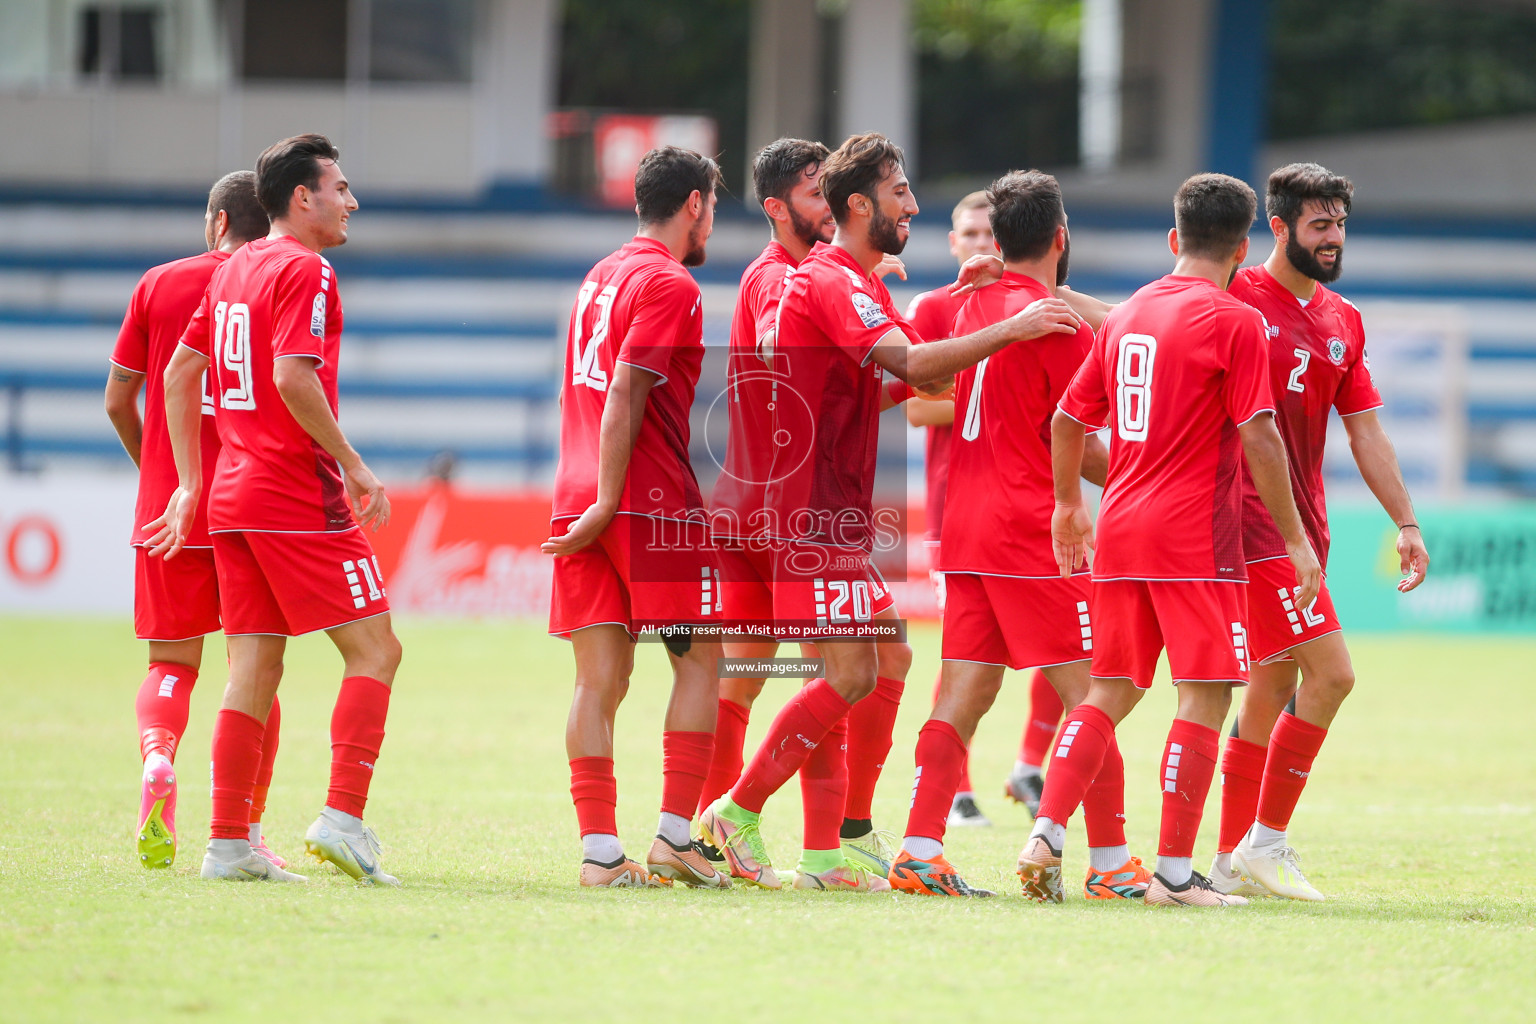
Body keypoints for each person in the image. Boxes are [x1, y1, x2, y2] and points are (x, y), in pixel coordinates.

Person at [699, 132, 1082, 888]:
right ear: (860, 205)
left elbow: (890, 385)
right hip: (807, 511)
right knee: (844, 673)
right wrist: (1009, 325)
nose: (912, 204)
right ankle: (735, 812)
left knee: (885, 658)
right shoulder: (831, 280)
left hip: (826, 508)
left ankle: (826, 851)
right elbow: (910, 364)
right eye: (901, 192)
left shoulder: (855, 283)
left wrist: (964, 305)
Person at [1021, 172, 1321, 908]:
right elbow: (1259, 434)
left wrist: (1069, 506)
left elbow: (1066, 421)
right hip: (1196, 537)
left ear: (1173, 238)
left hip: (1120, 525)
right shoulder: (1234, 320)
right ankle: (1175, 877)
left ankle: (1047, 832)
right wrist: (1296, 540)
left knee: (1110, 690)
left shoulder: (1127, 315)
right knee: (1206, 695)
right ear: (1245, 246)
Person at [890, 170, 1150, 899]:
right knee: (1096, 692)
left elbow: (922, 358)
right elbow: (1076, 440)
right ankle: (1108, 863)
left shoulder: (961, 305)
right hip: (1030, 529)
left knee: (965, 692)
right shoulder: (1053, 325)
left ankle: (919, 847)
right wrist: (1145, 471)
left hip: (964, 526)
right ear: (1061, 239)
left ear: (997, 243)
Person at [151, 134, 402, 885]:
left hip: (232, 495)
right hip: (294, 492)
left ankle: (227, 843)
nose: (351, 202)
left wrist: (191, 482)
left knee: (253, 665)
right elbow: (296, 378)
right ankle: (343, 818)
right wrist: (354, 464)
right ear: (304, 198)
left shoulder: (236, 267)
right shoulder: (306, 268)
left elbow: (177, 373)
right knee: (377, 651)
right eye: (341, 188)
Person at [1209, 163, 1429, 900]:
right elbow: (1141, 316)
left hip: (1307, 530)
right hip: (1252, 525)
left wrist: (1406, 520)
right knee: (1332, 675)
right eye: (1319, 225)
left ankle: (1228, 861)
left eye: (1339, 224)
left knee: (1271, 683)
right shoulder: (1234, 294)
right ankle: (1265, 844)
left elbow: (1367, 433)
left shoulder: (1344, 320)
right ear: (1278, 228)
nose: (1333, 238)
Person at [699, 137, 910, 891]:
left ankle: (808, 846)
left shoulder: (807, 279)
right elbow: (791, 387)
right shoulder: (783, 281)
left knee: (783, 673)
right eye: (815, 196)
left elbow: (839, 387)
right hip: (789, 510)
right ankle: (759, 826)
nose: (827, 208)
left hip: (761, 504)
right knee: (828, 671)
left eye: (832, 193)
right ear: (777, 208)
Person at [541, 146, 728, 889]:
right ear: (693, 205)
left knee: (598, 679)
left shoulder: (601, 275)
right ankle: (676, 838)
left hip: (573, 487)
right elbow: (625, 391)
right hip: (642, 502)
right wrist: (612, 504)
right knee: (702, 655)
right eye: (712, 206)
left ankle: (599, 853)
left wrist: (588, 502)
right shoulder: (671, 282)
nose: (712, 219)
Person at [105, 171, 285, 871]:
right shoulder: (279, 281)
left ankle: (158, 758)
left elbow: (119, 401)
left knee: (171, 662)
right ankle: (243, 830)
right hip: (252, 506)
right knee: (256, 670)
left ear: (216, 221)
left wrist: (158, 471)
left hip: (169, 506)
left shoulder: (159, 284)